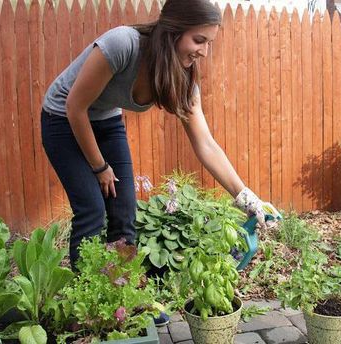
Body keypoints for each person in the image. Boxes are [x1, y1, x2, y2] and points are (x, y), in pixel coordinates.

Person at [41, 0, 277, 322]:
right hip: (63, 120)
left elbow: (205, 143)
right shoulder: (122, 44)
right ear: (173, 31)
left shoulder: (181, 77)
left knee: (124, 214)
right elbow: (75, 108)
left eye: (209, 43)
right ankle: (88, 308)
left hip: (106, 122)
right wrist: (100, 167)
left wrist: (245, 196)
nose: (204, 52)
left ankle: (126, 302)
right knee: (92, 212)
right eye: (199, 40)